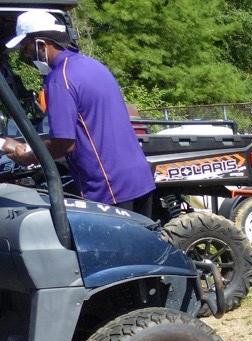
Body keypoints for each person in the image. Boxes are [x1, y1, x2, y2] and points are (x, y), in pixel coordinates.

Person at [0, 10, 155, 214]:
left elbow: (64, 143)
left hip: (108, 187)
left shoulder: (58, 79)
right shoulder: (93, 65)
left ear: (40, 44)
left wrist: (26, 155)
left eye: (26, 47)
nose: (25, 54)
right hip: (139, 178)